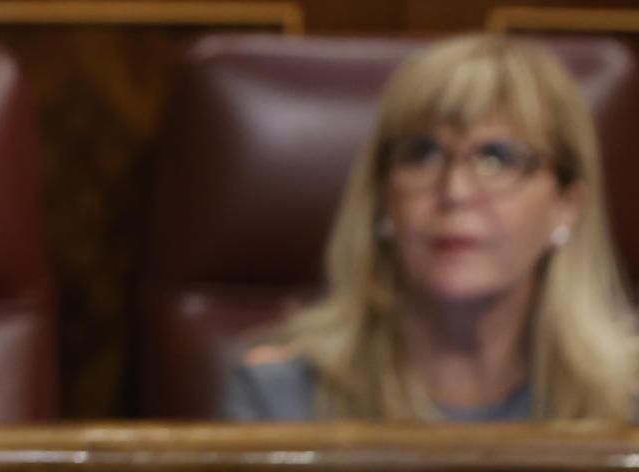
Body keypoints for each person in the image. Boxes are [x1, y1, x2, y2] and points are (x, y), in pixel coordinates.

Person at [220, 34, 638, 422]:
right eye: (422, 154)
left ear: (567, 205)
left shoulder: (627, 402)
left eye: (497, 158)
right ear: (383, 197)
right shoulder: (281, 398)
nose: (454, 191)